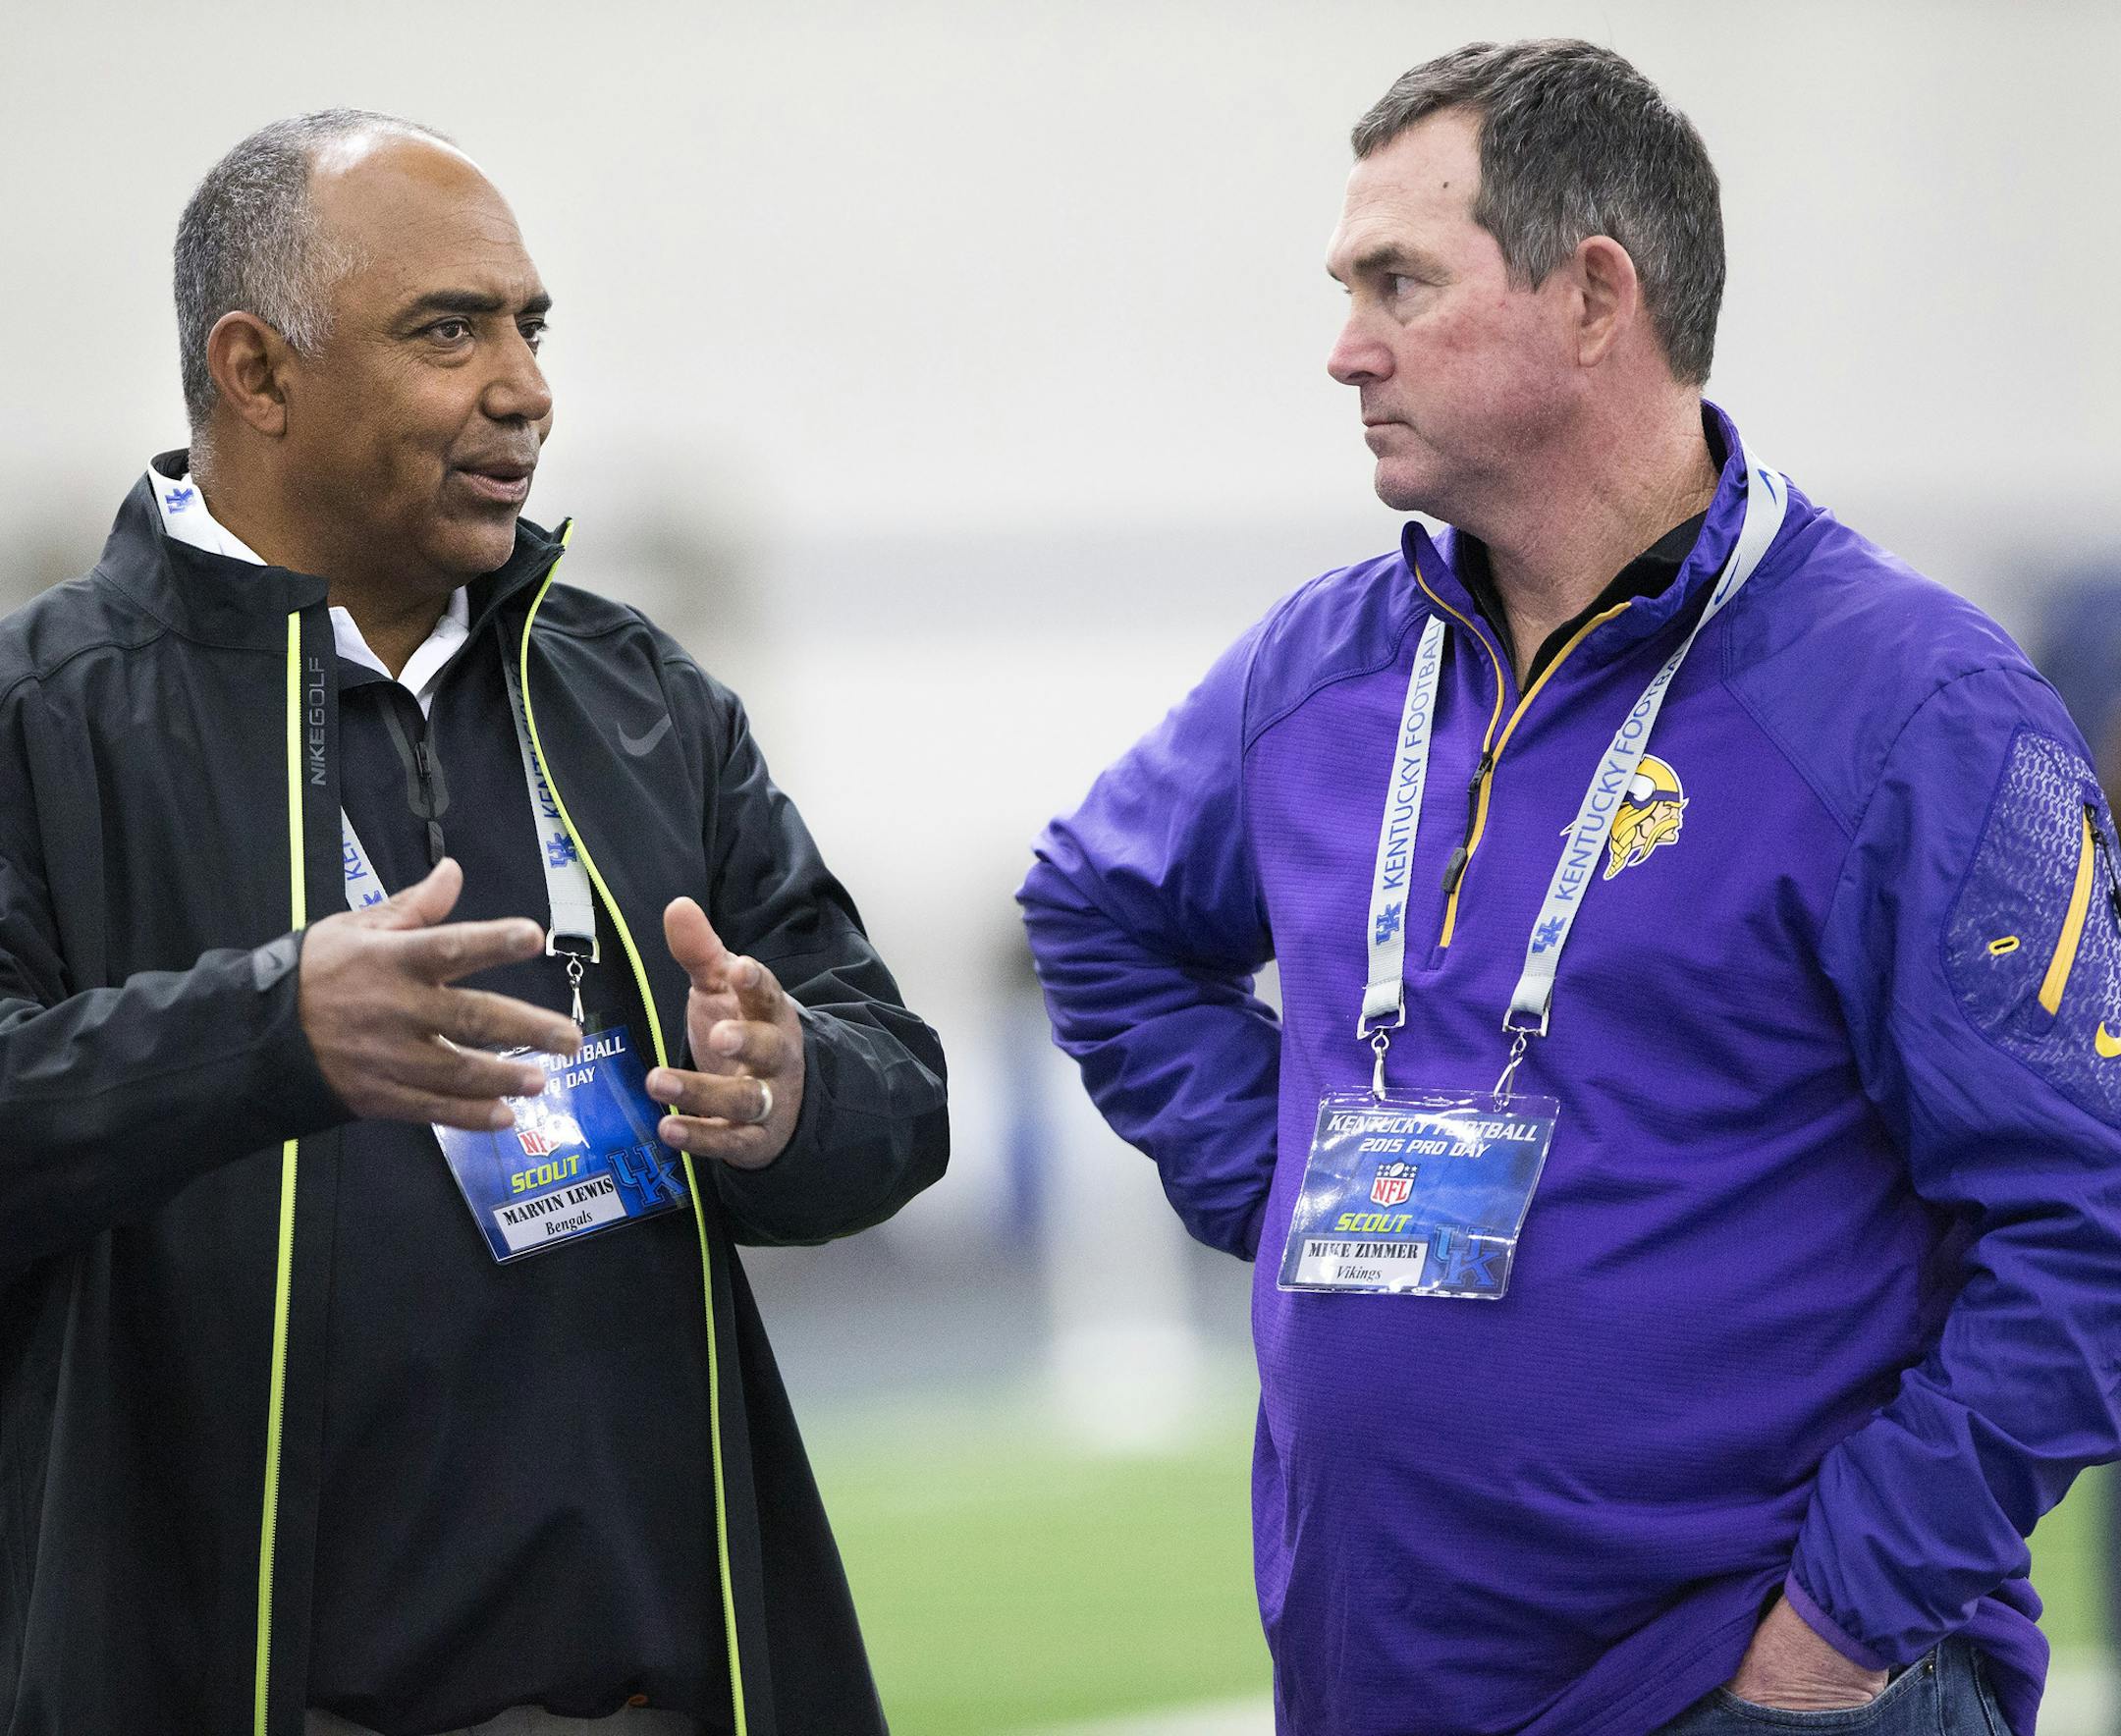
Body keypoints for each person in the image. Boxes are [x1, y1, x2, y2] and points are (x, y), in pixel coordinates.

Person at [1018, 39, 2121, 1736]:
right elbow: (1097, 916)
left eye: (1401, 281)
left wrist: (1837, 1629)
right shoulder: (1326, 669)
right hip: (1382, 1686)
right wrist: (1304, 1199)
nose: (1343, 348)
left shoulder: (1912, 708)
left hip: (1755, 1693)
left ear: (1594, 294)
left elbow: (2089, 1221)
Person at [0, 110, 948, 1736]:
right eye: (448, 330)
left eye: (531, 325)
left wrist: (798, 1098)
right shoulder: (42, 723)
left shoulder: (642, 699)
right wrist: (267, 1035)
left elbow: (898, 1097)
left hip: (657, 1691)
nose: (523, 385)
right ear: (257, 371)